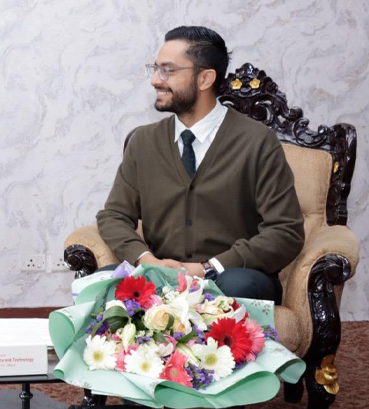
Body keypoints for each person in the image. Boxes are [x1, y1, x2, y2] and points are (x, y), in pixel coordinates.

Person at [96, 26, 304, 303]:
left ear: (205, 78)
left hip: (233, 275)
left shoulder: (257, 141)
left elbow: (286, 231)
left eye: (168, 71)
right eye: (155, 69)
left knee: (235, 287)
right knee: (101, 287)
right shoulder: (143, 142)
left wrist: (209, 267)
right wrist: (146, 259)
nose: (155, 80)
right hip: (162, 277)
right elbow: (113, 216)